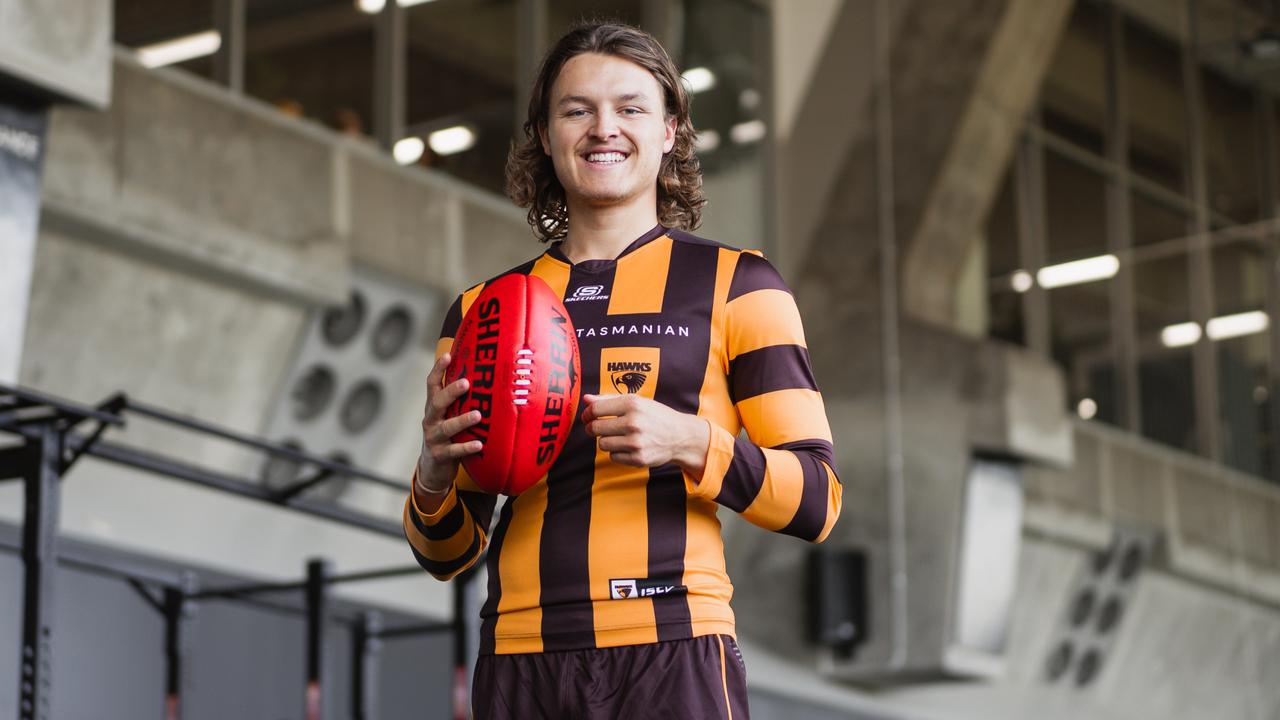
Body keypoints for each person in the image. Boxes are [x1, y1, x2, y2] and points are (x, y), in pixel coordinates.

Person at [403, 22, 842, 719]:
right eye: (576, 109)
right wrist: (431, 473)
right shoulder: (483, 310)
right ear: (545, 137)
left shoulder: (739, 283)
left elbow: (818, 501)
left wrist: (690, 442)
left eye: (630, 108)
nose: (603, 128)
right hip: (520, 656)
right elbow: (447, 553)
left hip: (674, 648)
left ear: (669, 130)